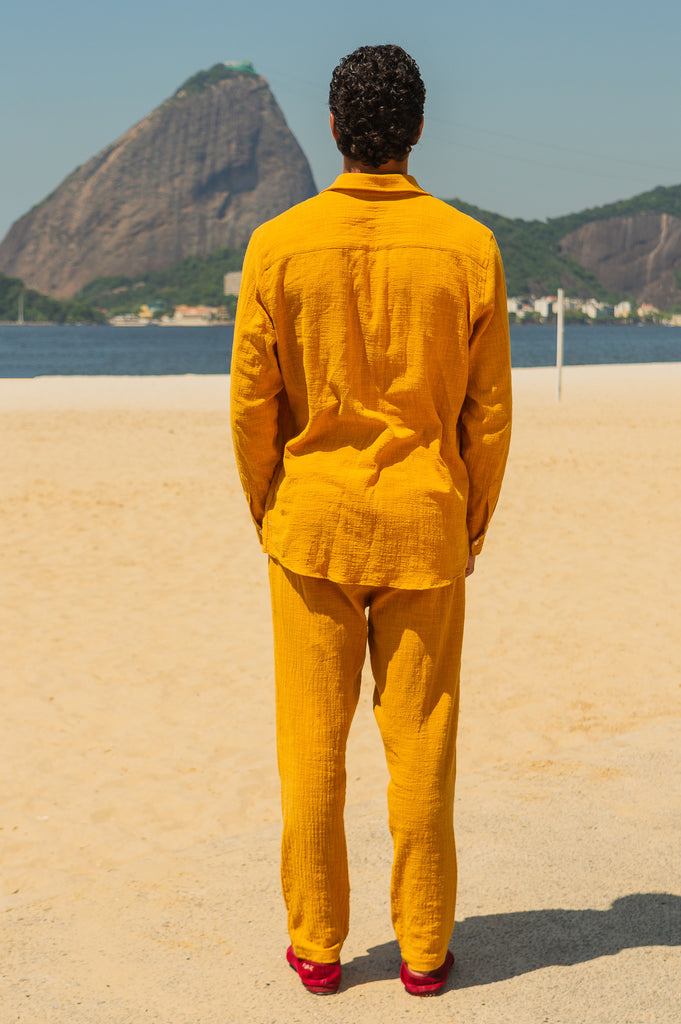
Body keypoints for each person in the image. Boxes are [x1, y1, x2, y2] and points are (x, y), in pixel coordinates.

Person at [230, 43, 512, 997]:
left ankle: (317, 948)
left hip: (311, 525)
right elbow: (490, 411)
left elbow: (250, 403)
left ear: (336, 130)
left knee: (311, 745)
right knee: (422, 745)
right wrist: (466, 521)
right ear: (418, 130)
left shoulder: (278, 242)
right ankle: (424, 951)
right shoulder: (469, 247)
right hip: (425, 523)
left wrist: (267, 506)